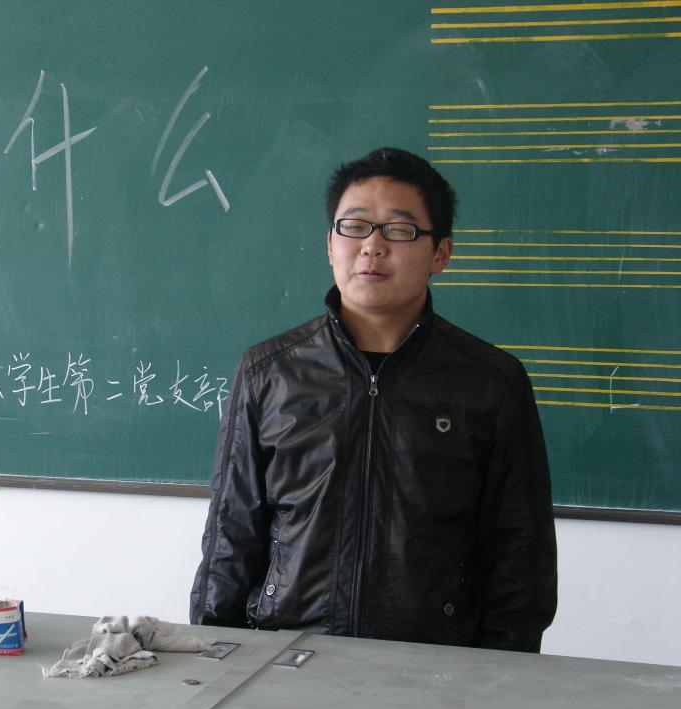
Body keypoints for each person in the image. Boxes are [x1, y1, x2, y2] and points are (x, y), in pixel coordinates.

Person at [190, 147, 557, 652]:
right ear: (330, 244)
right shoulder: (269, 372)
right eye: (355, 226)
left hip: (436, 666)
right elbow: (231, 537)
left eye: (399, 229)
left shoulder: (491, 383)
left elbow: (520, 555)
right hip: (286, 657)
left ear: (441, 253)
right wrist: (214, 655)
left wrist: (496, 676)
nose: (372, 246)